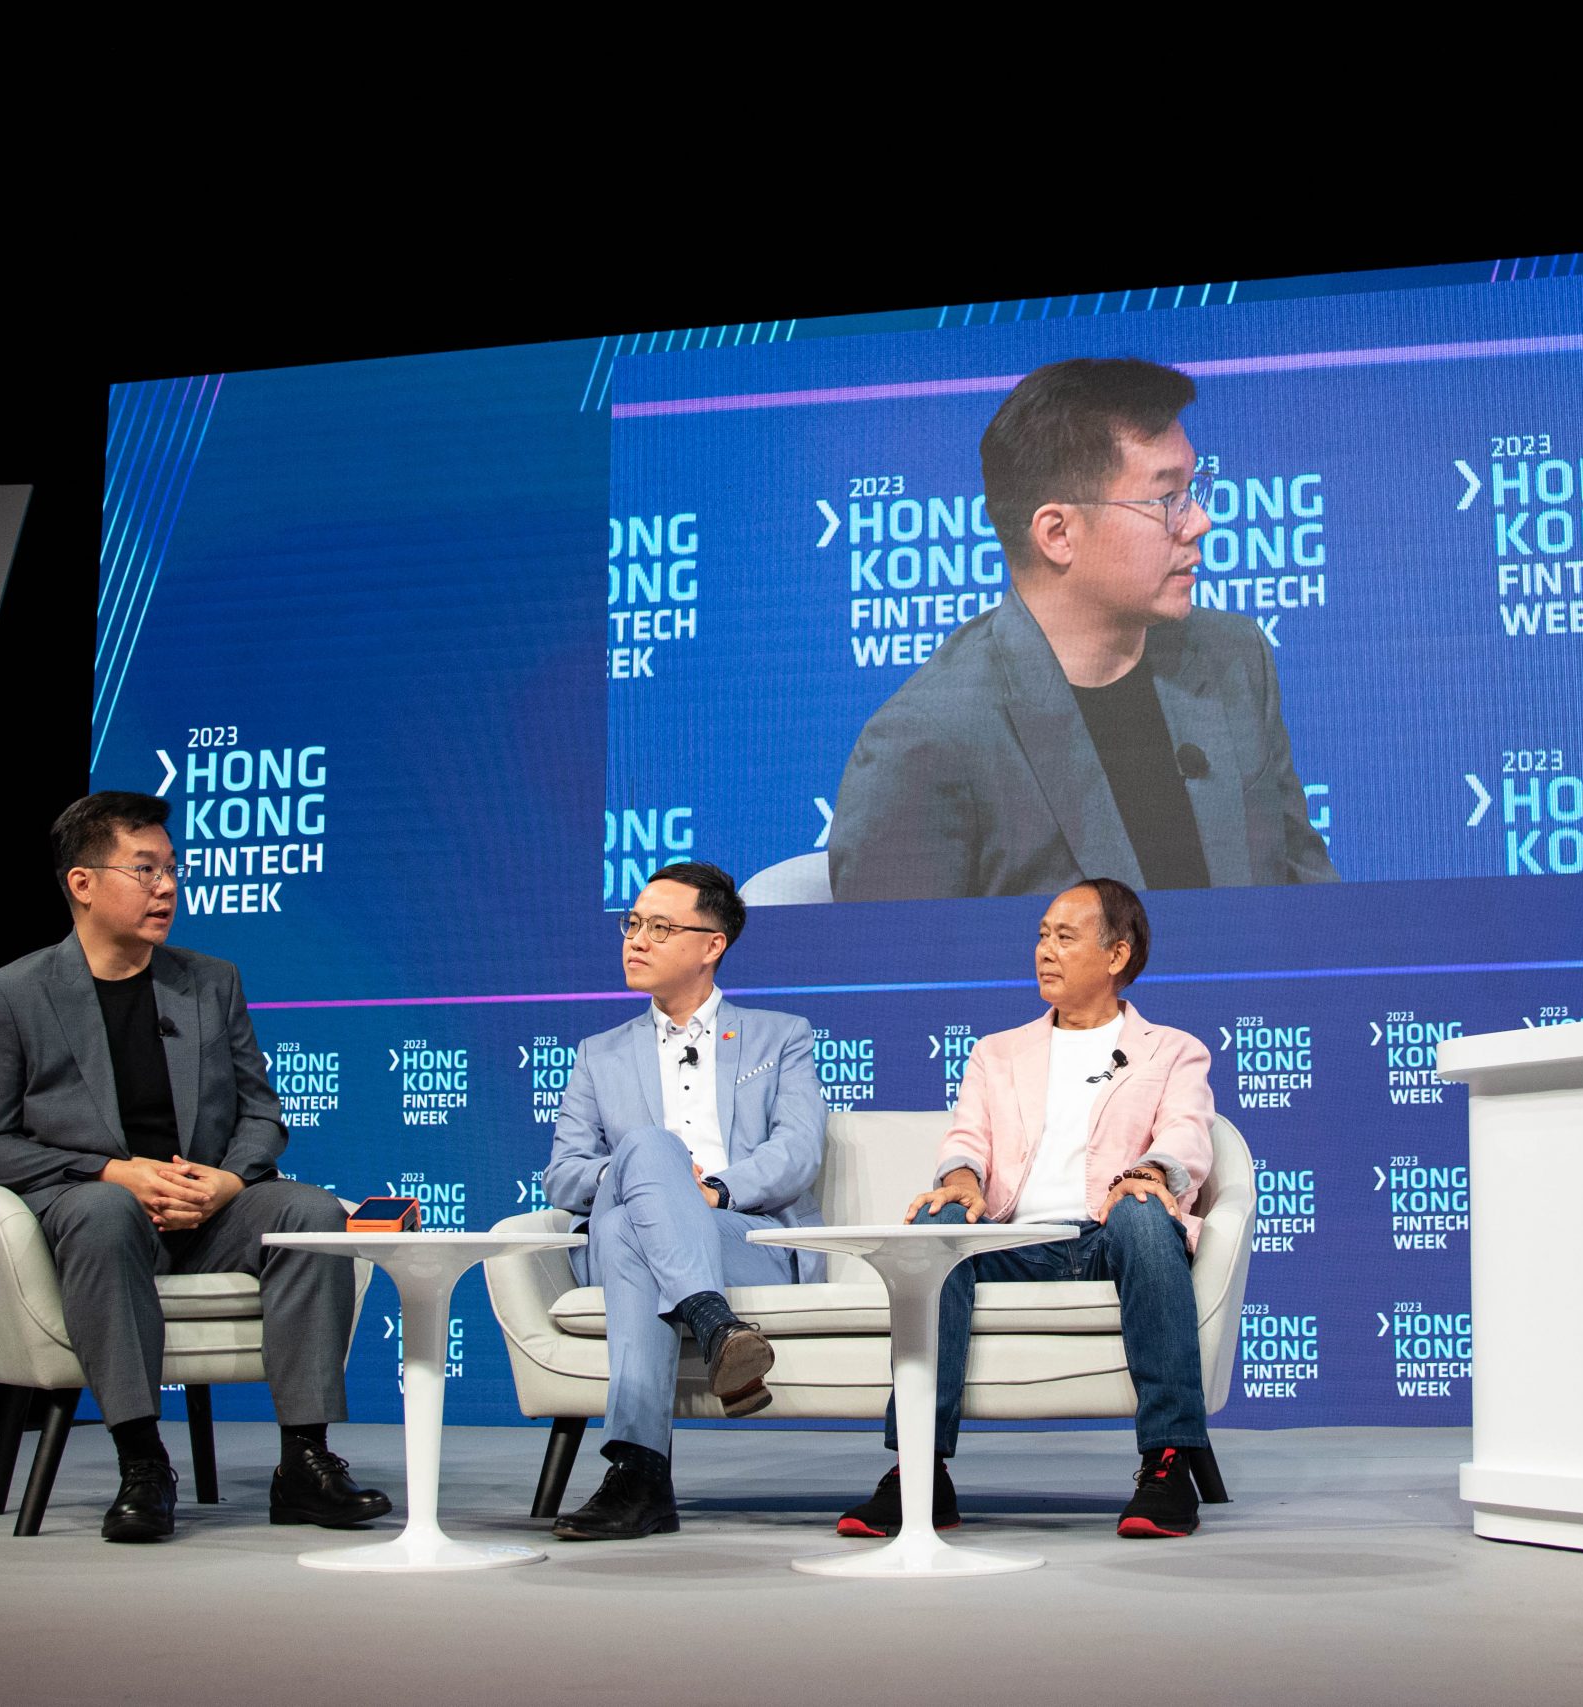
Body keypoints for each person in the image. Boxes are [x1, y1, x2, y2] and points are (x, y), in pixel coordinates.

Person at [0, 792, 387, 1543]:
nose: (167, 888)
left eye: (173, 870)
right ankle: (142, 1461)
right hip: (97, 1215)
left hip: (207, 1212)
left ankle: (305, 1461)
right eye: (145, 870)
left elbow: (262, 1114)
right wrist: (113, 1173)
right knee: (103, 1212)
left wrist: (227, 1181)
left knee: (311, 1213)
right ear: (83, 883)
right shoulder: (12, 996)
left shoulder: (209, 982)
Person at [829, 356, 1337, 901]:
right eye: (1168, 499)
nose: (1200, 522)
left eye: (1194, 490)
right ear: (1058, 534)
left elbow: (1312, 906)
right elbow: (902, 959)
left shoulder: (1233, 656)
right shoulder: (928, 742)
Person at [838, 877, 1217, 1539]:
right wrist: (962, 1180)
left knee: (1143, 1210)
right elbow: (966, 1140)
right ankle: (920, 1469)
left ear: (1117, 954)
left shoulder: (1172, 1049)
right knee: (936, 1226)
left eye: (1065, 937)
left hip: (1110, 1233)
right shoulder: (998, 1052)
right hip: (1013, 1239)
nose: (1044, 950)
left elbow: (1186, 1132)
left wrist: (1148, 1172)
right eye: (1042, 935)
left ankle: (1167, 1462)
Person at [543, 861, 827, 1540]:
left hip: (744, 1237)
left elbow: (798, 1151)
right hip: (637, 1226)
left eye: (660, 927)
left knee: (625, 1233)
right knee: (647, 1152)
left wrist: (715, 1190)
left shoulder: (781, 1036)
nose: (636, 940)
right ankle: (715, 1322)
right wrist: (644, 1172)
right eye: (633, 923)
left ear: (712, 944)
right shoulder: (600, 1054)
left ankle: (640, 1476)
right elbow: (563, 1174)